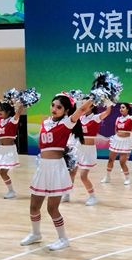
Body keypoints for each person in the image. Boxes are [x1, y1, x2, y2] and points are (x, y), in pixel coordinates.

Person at [20, 93, 93, 250]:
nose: (54, 108)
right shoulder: (45, 122)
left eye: (59, 107)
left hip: (56, 168)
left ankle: (63, 239)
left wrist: (96, 96)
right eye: (53, 105)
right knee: (33, 206)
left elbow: (81, 110)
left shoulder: (67, 123)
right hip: (42, 167)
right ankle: (36, 234)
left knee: (52, 208)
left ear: (66, 110)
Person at [68, 99, 112, 206]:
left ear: (91, 106)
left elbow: (107, 112)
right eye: (82, 103)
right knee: (71, 173)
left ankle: (92, 197)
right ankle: (66, 194)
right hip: (78, 148)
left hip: (88, 151)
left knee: (83, 176)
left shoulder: (95, 118)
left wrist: (108, 102)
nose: (83, 105)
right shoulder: (80, 117)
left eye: (85, 103)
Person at [101, 102, 132, 185]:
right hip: (116, 140)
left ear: (127, 109)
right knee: (110, 159)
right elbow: (116, 130)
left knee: (122, 162)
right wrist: (115, 137)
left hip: (125, 141)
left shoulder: (131, 118)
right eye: (120, 107)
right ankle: (107, 177)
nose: (121, 109)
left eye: (123, 107)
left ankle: (127, 178)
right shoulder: (118, 119)